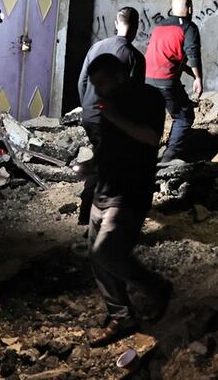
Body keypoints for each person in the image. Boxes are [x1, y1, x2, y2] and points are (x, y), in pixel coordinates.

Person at [83, 53, 170, 347]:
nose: (97, 91)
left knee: (108, 252)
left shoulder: (148, 98)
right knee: (97, 256)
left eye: (101, 83)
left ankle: (156, 288)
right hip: (105, 188)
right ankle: (121, 315)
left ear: (120, 76)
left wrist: (113, 116)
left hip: (130, 191)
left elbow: (149, 137)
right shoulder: (110, 101)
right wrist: (92, 167)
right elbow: (110, 144)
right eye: (94, 85)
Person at [77, 7, 145, 225]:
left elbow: (82, 83)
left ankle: (94, 211)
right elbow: (135, 96)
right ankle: (92, 213)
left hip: (90, 115)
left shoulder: (96, 47)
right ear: (136, 27)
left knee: (103, 159)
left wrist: (89, 106)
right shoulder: (135, 57)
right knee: (107, 163)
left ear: (116, 23)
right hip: (111, 119)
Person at [144, 0, 202, 163]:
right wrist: (198, 78)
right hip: (166, 81)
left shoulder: (159, 26)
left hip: (147, 79)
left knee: (155, 117)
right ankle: (168, 158)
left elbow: (169, 56)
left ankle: (147, 156)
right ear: (190, 9)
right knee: (184, 116)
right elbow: (193, 55)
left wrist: (190, 73)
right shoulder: (189, 28)